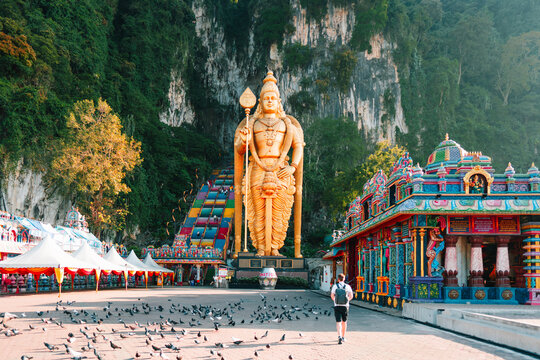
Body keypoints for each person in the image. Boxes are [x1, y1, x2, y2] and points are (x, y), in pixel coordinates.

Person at [234, 71, 304, 257]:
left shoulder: (287, 124)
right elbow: (241, 149)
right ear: (260, 101)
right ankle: (260, 248)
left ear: (279, 100)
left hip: (281, 169)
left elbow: (298, 146)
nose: (270, 101)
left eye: (273, 98)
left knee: (279, 211)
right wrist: (244, 139)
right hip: (258, 167)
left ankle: (274, 247)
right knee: (258, 211)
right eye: (266, 98)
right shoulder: (253, 123)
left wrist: (293, 166)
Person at [330, 273, 354, 344]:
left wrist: (336, 301)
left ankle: (339, 336)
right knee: (344, 322)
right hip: (345, 306)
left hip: (337, 305)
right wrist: (346, 301)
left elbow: (332, 296)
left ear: (338, 279)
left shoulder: (335, 286)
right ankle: (343, 337)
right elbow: (351, 296)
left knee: (338, 322)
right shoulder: (347, 286)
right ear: (344, 279)